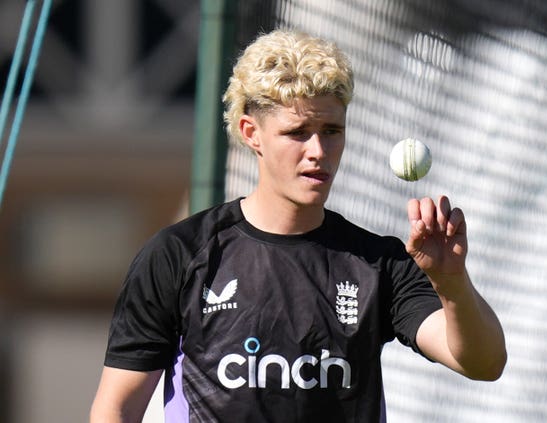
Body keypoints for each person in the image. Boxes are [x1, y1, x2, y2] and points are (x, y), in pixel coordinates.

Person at [90, 29, 506, 423]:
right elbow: (116, 409)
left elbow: (484, 363)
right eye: (298, 132)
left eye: (331, 131)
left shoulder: (378, 262)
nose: (318, 151)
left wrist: (452, 285)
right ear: (251, 133)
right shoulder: (178, 254)